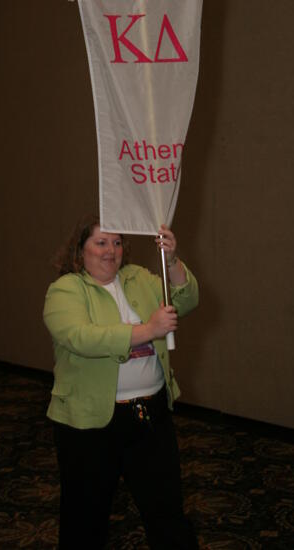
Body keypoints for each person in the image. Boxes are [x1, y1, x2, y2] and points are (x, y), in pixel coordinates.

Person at [43, 215, 199, 549]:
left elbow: (184, 300)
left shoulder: (137, 278)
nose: (110, 250)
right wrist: (148, 331)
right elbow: (80, 337)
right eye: (100, 242)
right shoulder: (66, 289)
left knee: (167, 514)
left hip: (150, 416)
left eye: (116, 243)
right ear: (79, 250)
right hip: (89, 425)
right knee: (85, 519)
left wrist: (171, 261)